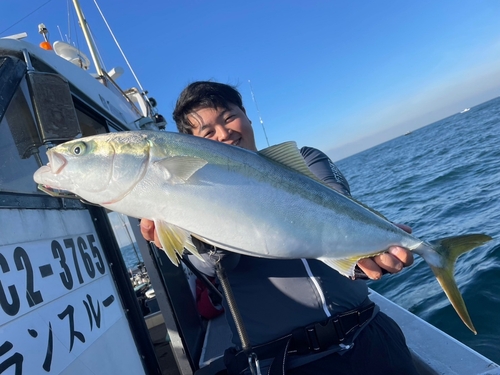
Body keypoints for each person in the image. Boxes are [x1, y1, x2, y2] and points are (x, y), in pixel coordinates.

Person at [141, 81, 420, 375]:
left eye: (228, 118)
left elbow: (338, 213)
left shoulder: (305, 160)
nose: (224, 134)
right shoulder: (192, 197)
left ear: (246, 116)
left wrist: (362, 260)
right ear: (193, 146)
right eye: (207, 132)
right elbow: (213, 266)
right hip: (284, 362)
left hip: (369, 336)